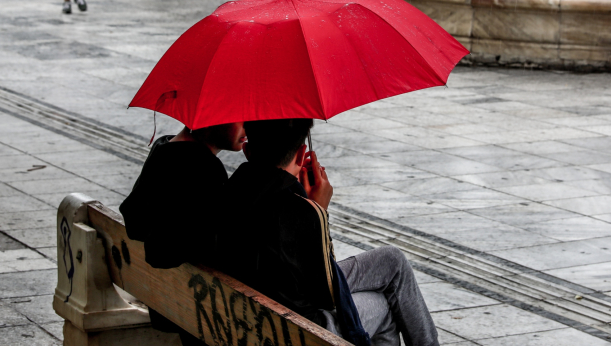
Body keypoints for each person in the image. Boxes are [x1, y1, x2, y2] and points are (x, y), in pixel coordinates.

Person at [221, 118, 440, 346]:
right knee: (381, 305)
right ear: (301, 153)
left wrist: (297, 195)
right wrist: (318, 211)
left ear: (247, 149)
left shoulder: (231, 189)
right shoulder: (300, 211)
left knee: (392, 260)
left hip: (253, 303)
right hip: (299, 328)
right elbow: (325, 293)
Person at [120, 121, 246, 346]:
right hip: (199, 307)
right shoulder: (202, 167)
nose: (249, 128)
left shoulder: (165, 146)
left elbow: (134, 218)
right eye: (241, 119)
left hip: (169, 300)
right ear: (212, 117)